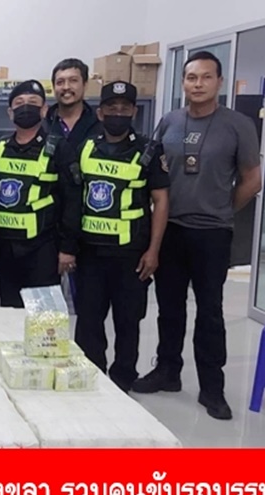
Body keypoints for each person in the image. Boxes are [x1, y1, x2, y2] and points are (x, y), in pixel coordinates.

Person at [131, 51, 262, 421]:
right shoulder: (170, 121)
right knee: (169, 308)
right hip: (170, 230)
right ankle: (167, 371)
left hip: (212, 233)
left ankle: (212, 388)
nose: (198, 84)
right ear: (183, 83)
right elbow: (153, 172)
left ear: (219, 81)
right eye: (191, 77)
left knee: (210, 312)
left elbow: (252, 180)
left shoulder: (237, 125)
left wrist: (222, 209)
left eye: (206, 77)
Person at [64, 81, 168, 392]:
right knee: (88, 322)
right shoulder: (86, 147)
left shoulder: (148, 150)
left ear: (134, 112)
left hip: (131, 254)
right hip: (90, 253)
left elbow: (161, 201)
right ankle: (91, 377)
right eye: (111, 108)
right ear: (101, 112)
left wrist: (154, 251)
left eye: (124, 108)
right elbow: (74, 198)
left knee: (127, 322)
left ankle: (122, 381)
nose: (118, 114)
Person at [0, 80, 82, 308]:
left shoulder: (59, 148)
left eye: (32, 103)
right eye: (19, 103)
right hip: (5, 248)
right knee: (10, 312)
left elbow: (72, 201)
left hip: (43, 249)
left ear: (43, 110)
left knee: (43, 317)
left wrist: (68, 249)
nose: (26, 107)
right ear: (10, 112)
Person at [45, 58, 102, 153]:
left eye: (73, 80)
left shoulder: (99, 124)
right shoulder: (43, 124)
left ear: (85, 85)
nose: (66, 87)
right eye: (60, 82)